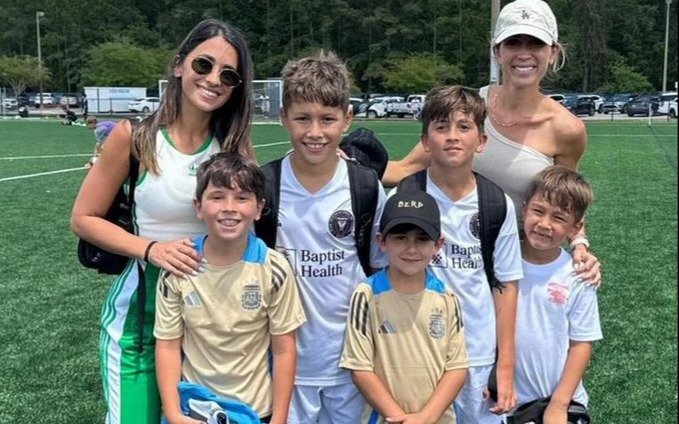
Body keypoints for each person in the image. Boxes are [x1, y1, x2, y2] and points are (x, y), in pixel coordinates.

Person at [70, 18, 255, 424]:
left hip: (206, 330)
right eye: (203, 65)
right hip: (139, 322)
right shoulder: (133, 138)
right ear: (178, 65)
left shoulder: (233, 146)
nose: (213, 80)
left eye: (228, 75)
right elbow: (84, 218)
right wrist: (151, 249)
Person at [381, 0, 601, 286]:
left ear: (553, 51)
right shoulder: (467, 110)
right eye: (513, 43)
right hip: (454, 260)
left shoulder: (567, 129)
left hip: (517, 265)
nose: (524, 54)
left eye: (535, 44)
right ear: (497, 51)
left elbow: (565, 200)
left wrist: (580, 245)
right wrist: (340, 162)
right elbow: (405, 169)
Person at [258, 51, 389, 424]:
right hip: (283, 363)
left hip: (352, 363)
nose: (315, 132)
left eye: (327, 119)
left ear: (347, 119)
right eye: (302, 118)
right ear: (284, 117)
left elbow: (381, 269)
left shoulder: (365, 187)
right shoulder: (265, 186)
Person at [400, 85, 523, 423]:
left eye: (464, 127)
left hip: (478, 353)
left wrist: (506, 364)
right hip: (418, 351)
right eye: (441, 127)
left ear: (481, 141)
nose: (452, 137)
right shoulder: (404, 197)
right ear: (425, 141)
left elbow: (506, 285)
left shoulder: (497, 205)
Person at [154, 153, 306, 424]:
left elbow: (284, 349)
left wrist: (279, 420)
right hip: (194, 411)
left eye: (241, 197)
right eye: (217, 197)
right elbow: (167, 346)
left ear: (259, 208)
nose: (229, 207)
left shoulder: (274, 269)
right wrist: (174, 413)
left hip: (255, 410)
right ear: (198, 206)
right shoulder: (178, 268)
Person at [340, 189, 469, 424]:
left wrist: (425, 418)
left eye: (422, 239)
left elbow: (457, 368)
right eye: (401, 237)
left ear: (438, 244)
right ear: (382, 241)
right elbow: (360, 368)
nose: (411, 249)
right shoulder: (366, 295)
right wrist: (400, 418)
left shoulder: (447, 298)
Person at [509, 165, 601, 423]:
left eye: (559, 217)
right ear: (524, 208)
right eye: (538, 211)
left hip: (560, 399)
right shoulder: (501, 261)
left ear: (575, 227)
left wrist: (559, 405)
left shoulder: (579, 274)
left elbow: (581, 344)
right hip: (505, 399)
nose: (544, 224)